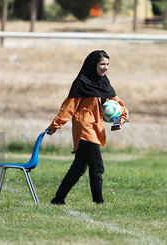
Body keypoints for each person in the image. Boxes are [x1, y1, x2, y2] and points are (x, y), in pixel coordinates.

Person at [46, 49, 128, 205]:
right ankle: (99, 202)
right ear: (93, 64)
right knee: (97, 166)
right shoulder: (81, 82)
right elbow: (68, 107)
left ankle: (58, 199)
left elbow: (116, 102)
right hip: (84, 128)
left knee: (79, 168)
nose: (105, 68)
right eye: (102, 64)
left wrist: (123, 116)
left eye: (107, 64)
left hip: (96, 128)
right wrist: (55, 125)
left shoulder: (104, 82)